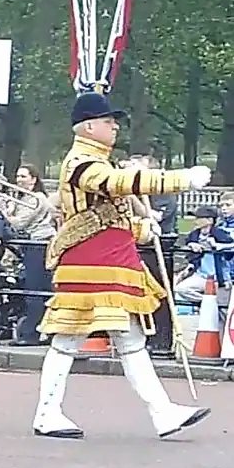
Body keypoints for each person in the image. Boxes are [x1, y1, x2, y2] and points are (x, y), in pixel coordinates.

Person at [33, 92, 212, 439]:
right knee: (69, 339)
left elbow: (108, 217)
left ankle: (162, 412)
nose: (114, 126)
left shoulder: (96, 161)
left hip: (110, 263)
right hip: (91, 265)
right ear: (87, 126)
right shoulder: (81, 162)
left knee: (127, 341)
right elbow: (120, 185)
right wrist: (181, 179)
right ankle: (48, 412)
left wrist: (143, 228)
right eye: (107, 121)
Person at [5, 164, 56, 346]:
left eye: (23, 176)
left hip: (38, 244)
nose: (19, 179)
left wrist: (5, 213)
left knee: (35, 288)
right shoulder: (26, 197)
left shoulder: (34, 199)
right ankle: (40, 330)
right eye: (18, 176)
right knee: (40, 288)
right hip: (35, 243)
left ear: (34, 179)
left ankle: (33, 333)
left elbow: (20, 224)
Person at [174, 206, 233, 308]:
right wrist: (191, 244)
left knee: (223, 311)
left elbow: (230, 250)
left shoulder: (220, 234)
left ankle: (213, 304)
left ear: (210, 220)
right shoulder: (194, 234)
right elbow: (188, 245)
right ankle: (209, 303)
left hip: (219, 277)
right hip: (201, 275)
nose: (196, 221)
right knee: (181, 289)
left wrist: (218, 246)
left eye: (199, 218)